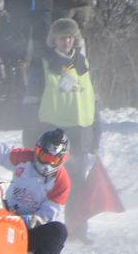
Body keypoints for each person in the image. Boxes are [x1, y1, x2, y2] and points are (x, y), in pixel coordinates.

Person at [35, 17, 96, 157]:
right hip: (53, 131)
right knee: (55, 176)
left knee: (79, 176)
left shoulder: (83, 63)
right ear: (54, 41)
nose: (67, 41)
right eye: (62, 38)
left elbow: (92, 99)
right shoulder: (43, 64)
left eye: (70, 37)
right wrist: (31, 134)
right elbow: (31, 102)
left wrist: (96, 133)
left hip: (81, 132)